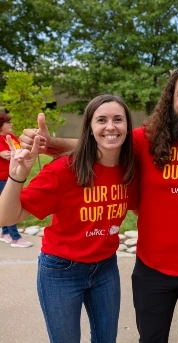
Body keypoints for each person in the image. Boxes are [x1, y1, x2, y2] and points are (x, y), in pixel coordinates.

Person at [19, 66, 178, 343]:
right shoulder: (146, 140)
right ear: (171, 99)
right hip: (153, 270)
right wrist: (49, 143)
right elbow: (102, 142)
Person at [0, 94, 138, 343]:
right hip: (62, 270)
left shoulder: (129, 168)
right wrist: (17, 176)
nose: (110, 126)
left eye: (118, 119)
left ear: (128, 127)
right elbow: (7, 216)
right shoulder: (64, 170)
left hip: (106, 268)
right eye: (101, 120)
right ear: (90, 127)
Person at [0, 113, 33, 247]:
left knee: (7, 204)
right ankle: (15, 238)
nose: (11, 125)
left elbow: (19, 150)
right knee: (10, 205)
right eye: (8, 123)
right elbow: (5, 153)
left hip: (11, 176)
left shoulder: (12, 138)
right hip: (2, 177)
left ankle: (5, 233)